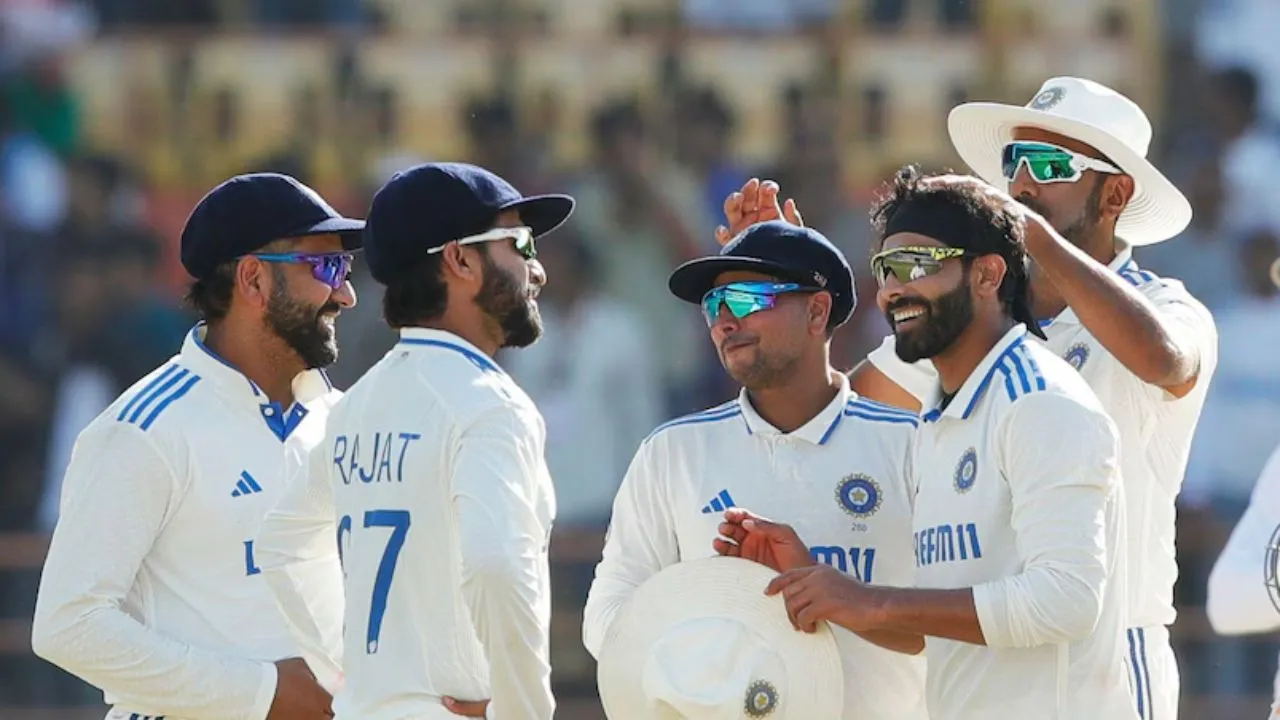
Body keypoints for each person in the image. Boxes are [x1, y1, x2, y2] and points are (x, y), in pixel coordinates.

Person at [725, 77, 1217, 720]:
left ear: (1116, 193)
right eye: (1012, 164)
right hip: (980, 655)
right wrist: (783, 280)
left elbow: (1165, 361)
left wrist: (1029, 236)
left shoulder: (1165, 306)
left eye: (1048, 165)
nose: (1021, 185)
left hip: (1106, 663)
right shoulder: (969, 328)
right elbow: (845, 407)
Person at [31, 172, 366, 720]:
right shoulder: (143, 430)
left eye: (344, 269)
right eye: (325, 267)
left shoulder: (344, 419)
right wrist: (263, 693)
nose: (345, 293)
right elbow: (68, 624)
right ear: (254, 280)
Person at [252, 162, 574, 720]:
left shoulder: (354, 405)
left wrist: (359, 675)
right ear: (460, 259)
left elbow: (282, 544)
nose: (536, 269)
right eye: (520, 243)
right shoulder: (490, 404)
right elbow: (497, 565)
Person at [583, 220, 929, 719]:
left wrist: (833, 594)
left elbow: (957, 621)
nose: (724, 321)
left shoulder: (913, 444)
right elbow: (610, 618)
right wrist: (725, 611)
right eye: (713, 307)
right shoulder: (673, 452)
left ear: (817, 310)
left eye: (746, 300)